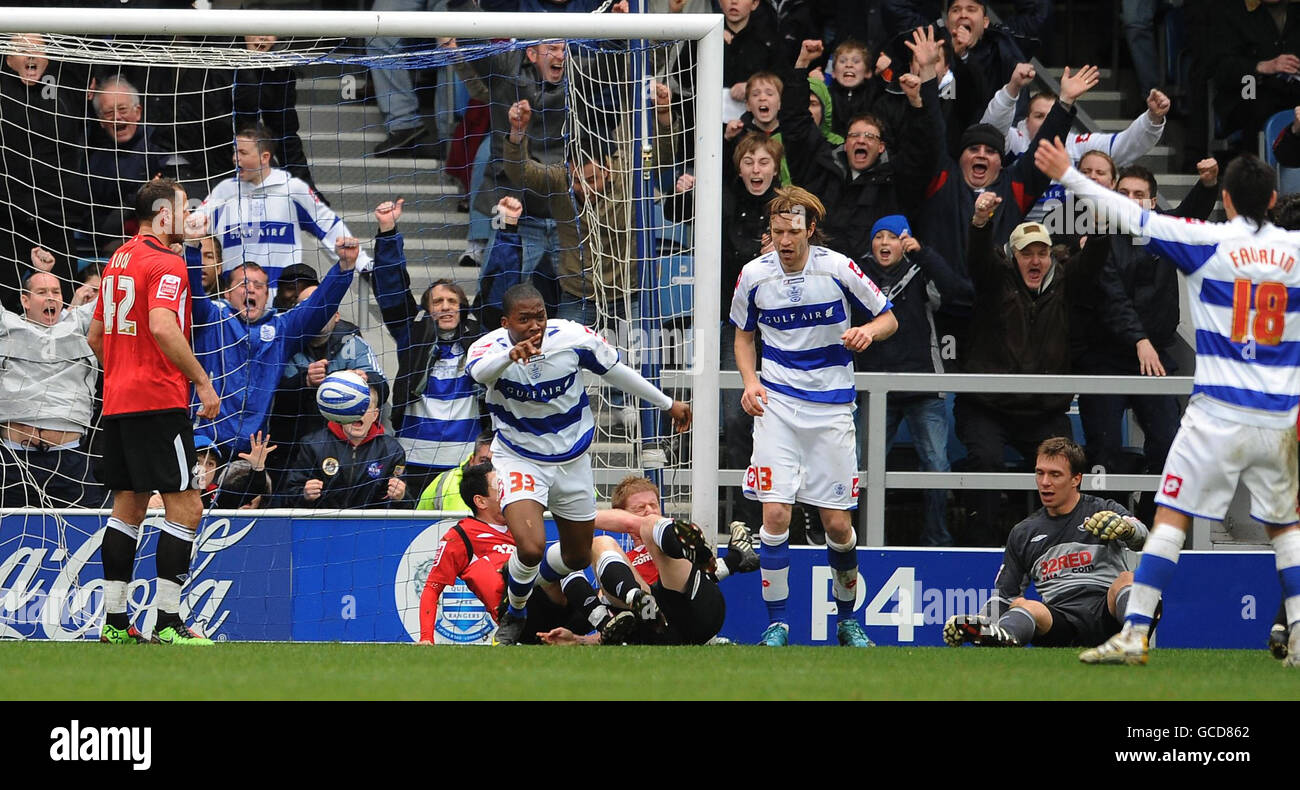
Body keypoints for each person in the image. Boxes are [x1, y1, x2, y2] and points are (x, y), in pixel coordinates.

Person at [1035, 137, 1300, 666]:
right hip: (1278, 416)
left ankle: (1134, 633)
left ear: (1225, 199)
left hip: (1219, 412)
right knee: (1285, 526)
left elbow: (1129, 216)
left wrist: (1070, 175)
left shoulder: (1207, 241)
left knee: (1172, 515)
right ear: (1273, 200)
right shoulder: (1295, 253)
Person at [465, 282, 692, 645]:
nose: (534, 326)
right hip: (520, 459)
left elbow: (616, 370)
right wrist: (511, 357)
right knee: (530, 547)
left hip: (572, 462)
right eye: (524, 320)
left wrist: (667, 403)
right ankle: (516, 610)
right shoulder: (487, 349)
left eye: (539, 316)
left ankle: (527, 579)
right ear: (506, 322)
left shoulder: (570, 337)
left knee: (575, 556)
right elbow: (480, 374)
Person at [731, 186, 898, 647]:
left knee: (837, 525)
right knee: (776, 513)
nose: (785, 240)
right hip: (778, 405)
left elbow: (889, 317)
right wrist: (750, 381)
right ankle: (777, 624)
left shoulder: (839, 267)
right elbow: (743, 336)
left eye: (793, 231)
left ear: (810, 230)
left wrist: (866, 330)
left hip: (831, 406)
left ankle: (848, 620)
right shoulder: (753, 276)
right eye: (777, 230)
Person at [87, 176, 221, 646]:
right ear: (164, 215)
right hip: (159, 402)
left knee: (128, 506)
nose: (190, 219)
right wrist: (201, 380)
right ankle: (168, 621)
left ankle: (115, 623)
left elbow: (95, 336)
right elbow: (164, 327)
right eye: (184, 210)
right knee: (186, 506)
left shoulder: (118, 258)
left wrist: (123, 372)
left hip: (120, 402)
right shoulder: (166, 263)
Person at [955, 194, 1109, 546]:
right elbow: (979, 260)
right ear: (1013, 257)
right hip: (986, 406)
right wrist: (980, 223)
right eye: (1026, 253)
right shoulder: (996, 282)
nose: (1034, 260)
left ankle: (1057, 545)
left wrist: (1100, 230)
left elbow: (1093, 262)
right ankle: (981, 545)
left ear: (1051, 256)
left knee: (1060, 469)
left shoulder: (1067, 285)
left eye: (1041, 252)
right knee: (986, 465)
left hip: (1043, 410)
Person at [943, 437, 1149, 648]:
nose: (1045, 482)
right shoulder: (1024, 532)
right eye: (1040, 473)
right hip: (1059, 622)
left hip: (1107, 614)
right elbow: (1005, 597)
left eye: (1055, 474)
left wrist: (1127, 529)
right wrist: (980, 622)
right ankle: (998, 638)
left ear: (1076, 479)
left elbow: (1143, 538)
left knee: (1128, 579)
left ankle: (1135, 636)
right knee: (1025, 605)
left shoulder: (1105, 510)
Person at [184, 222, 357, 458]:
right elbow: (192, 292)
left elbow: (318, 307)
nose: (251, 290)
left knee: (254, 492)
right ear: (227, 293)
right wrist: (192, 248)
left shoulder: (280, 328)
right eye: (243, 284)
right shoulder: (212, 317)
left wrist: (344, 268)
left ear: (267, 295)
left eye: (259, 286)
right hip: (205, 443)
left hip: (253, 451)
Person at [856, 216, 973, 547]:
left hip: (922, 386)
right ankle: (861, 538)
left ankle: (937, 540)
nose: (883, 243)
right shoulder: (857, 274)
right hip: (873, 387)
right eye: (878, 236)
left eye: (892, 237)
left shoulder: (920, 272)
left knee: (936, 466)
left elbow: (958, 291)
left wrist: (923, 253)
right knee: (859, 465)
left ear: (904, 242)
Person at [540, 475, 761, 646]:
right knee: (600, 544)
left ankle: (640, 595)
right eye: (639, 508)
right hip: (655, 627)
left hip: (696, 607)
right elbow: (616, 626)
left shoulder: (679, 539)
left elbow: (706, 575)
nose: (648, 510)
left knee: (657, 530)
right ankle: (637, 597)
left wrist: (574, 519)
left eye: (653, 505)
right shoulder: (620, 564)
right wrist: (578, 640)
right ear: (620, 515)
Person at [416, 461, 609, 645]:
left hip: (562, 612)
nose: (508, 490)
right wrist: (426, 637)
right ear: (480, 501)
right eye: (500, 486)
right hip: (518, 614)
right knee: (531, 564)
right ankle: (604, 621)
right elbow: (432, 587)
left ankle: (611, 623)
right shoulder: (461, 535)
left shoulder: (522, 526)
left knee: (600, 574)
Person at [370, 198, 484, 494]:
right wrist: (387, 231)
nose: (445, 307)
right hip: (412, 458)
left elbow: (499, 285)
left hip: (463, 461)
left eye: (452, 301)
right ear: (427, 309)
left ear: (463, 308)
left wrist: (508, 231)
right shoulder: (413, 334)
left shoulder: (480, 340)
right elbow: (392, 289)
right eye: (437, 301)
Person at [198, 121, 370, 288]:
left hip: (283, 306)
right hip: (235, 304)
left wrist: (363, 263)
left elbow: (329, 226)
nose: (236, 158)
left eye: (243, 153)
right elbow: (193, 226)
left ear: (264, 157)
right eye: (235, 152)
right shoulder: (224, 192)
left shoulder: (292, 190)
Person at [0, 254, 102, 508]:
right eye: (42, 291)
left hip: (69, 461)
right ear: (25, 300)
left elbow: (117, 294)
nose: (50, 297)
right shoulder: (6, 326)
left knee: (85, 536)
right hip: (12, 460)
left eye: (56, 291)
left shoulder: (81, 325)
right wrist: (29, 263)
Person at [275, 376, 413, 510]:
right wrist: (304, 495)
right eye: (353, 406)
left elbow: (405, 507)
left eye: (365, 407)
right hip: (322, 526)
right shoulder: (313, 444)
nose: (359, 413)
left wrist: (400, 498)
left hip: (369, 528)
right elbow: (288, 496)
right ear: (341, 410)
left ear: (375, 415)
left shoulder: (391, 451)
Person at [416, 432, 493, 512]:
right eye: (484, 461)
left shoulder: (505, 488)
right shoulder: (445, 480)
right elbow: (418, 520)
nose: (490, 467)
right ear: (472, 460)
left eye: (497, 462)